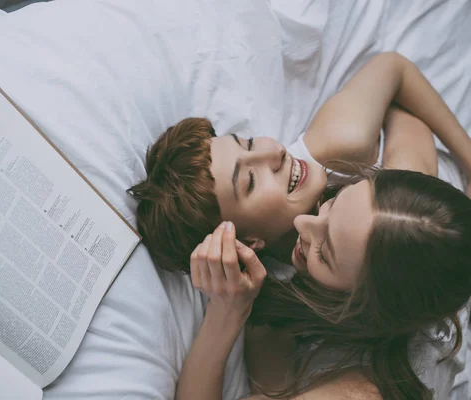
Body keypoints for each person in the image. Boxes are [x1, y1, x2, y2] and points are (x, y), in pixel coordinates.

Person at [127, 52, 471, 274]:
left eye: (247, 142)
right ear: (246, 243)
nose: (274, 152)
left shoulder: (336, 147)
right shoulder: (280, 309)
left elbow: (394, 68)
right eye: (250, 180)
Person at [177, 169, 471, 399]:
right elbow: (410, 123)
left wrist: (226, 313)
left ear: (361, 307)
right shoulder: (416, 223)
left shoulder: (357, 392)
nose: (301, 223)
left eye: (324, 251)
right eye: (332, 203)